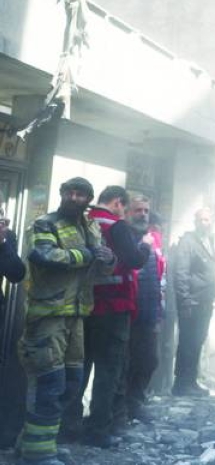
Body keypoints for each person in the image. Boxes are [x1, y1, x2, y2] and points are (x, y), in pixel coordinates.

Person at [17, 177, 114, 465]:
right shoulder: (45, 224)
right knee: (49, 384)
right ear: (61, 194)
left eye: (81, 194)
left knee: (71, 383)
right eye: (69, 192)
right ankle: (37, 456)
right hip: (48, 317)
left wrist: (109, 258)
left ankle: (38, 442)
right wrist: (86, 255)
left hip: (77, 317)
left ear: (88, 199)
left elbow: (101, 265)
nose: (74, 197)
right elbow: (44, 256)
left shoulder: (91, 227)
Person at [62, 185, 149, 447]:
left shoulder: (84, 222)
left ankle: (70, 426)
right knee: (108, 369)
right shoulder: (116, 225)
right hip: (114, 308)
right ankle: (97, 429)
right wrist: (144, 248)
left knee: (80, 366)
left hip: (84, 306)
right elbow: (134, 261)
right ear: (118, 203)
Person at [126, 197, 166, 422]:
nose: (143, 214)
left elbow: (159, 276)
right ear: (128, 212)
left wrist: (160, 310)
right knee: (127, 362)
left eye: (146, 211)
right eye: (138, 210)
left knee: (150, 360)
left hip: (150, 312)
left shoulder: (153, 241)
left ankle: (135, 402)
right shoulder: (125, 238)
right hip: (129, 311)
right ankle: (122, 410)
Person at [172, 207, 215, 397]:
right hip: (192, 302)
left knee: (197, 341)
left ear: (212, 222)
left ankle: (191, 381)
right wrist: (185, 300)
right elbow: (181, 273)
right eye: (200, 220)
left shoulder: (209, 241)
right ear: (195, 222)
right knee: (188, 343)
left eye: (207, 220)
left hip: (205, 301)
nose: (203, 224)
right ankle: (182, 384)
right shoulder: (188, 242)